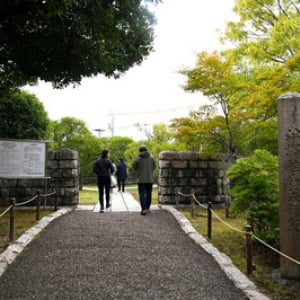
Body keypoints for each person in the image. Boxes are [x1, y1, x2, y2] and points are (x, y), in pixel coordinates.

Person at [133, 146, 156, 215]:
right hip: (150, 179)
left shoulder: (137, 159)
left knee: (142, 194)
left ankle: (143, 209)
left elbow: (135, 167)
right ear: (147, 150)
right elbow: (154, 167)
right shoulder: (152, 158)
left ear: (139, 151)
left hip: (141, 179)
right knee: (149, 194)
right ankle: (148, 208)